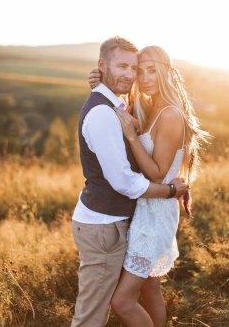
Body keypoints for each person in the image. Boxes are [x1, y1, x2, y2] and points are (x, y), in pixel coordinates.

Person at [71, 37, 188, 327]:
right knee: (149, 288)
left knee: (123, 300)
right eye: (138, 70)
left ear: (165, 72)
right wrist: (99, 85)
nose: (143, 77)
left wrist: (134, 137)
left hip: (153, 213)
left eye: (149, 70)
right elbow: (112, 105)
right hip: (142, 209)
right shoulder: (144, 108)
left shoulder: (169, 114)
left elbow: (157, 173)